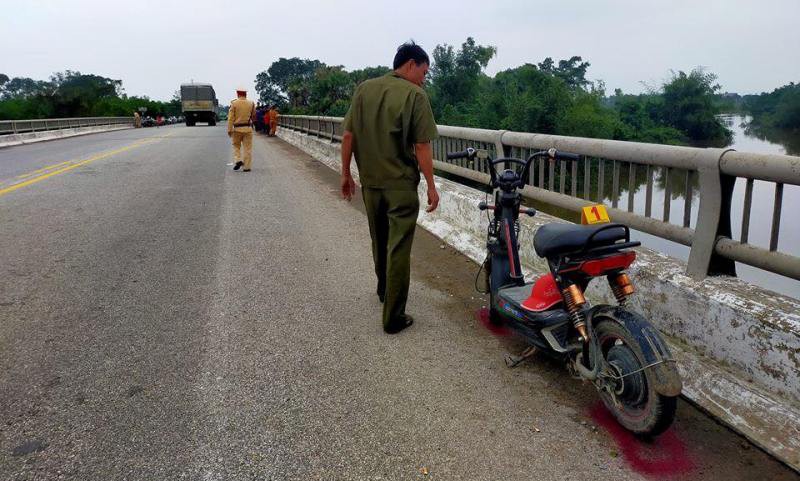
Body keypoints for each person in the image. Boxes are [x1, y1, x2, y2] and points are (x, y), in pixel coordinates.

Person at [340, 41, 439, 334]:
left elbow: (348, 136)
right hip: (400, 186)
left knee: (379, 238)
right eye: (424, 71)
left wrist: (345, 174)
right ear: (410, 64)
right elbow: (421, 145)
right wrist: (432, 185)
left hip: (371, 184)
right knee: (398, 247)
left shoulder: (364, 90)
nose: (424, 78)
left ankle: (384, 290)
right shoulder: (415, 95)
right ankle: (393, 317)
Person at [227, 85, 256, 172]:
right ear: (245, 94)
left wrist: (229, 129)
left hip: (237, 129)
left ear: (237, 94)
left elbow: (230, 118)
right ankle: (247, 167)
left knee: (236, 146)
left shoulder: (234, 103)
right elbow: (253, 116)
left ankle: (238, 160)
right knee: (247, 148)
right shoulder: (251, 103)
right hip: (247, 128)